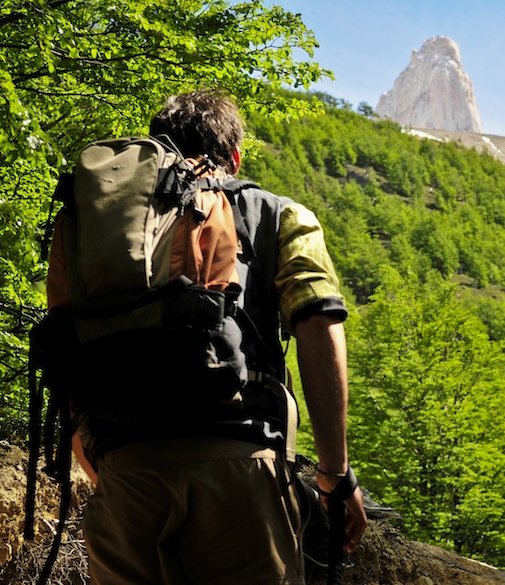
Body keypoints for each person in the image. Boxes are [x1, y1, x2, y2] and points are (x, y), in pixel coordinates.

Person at [47, 90, 367, 583]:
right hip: (236, 467)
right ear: (234, 157)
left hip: (123, 473)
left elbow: (68, 340)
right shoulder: (276, 213)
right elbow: (319, 323)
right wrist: (335, 473)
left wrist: (104, 464)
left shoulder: (104, 227)